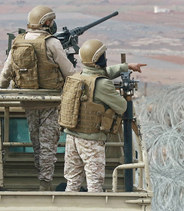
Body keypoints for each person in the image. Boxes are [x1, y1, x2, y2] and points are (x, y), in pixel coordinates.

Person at [0, 5, 76, 191]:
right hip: (50, 101)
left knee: (36, 143)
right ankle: (45, 184)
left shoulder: (18, 42)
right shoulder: (51, 43)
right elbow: (70, 73)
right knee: (48, 145)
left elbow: (5, 74)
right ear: (46, 22)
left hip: (28, 100)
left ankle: (42, 178)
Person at [59, 39, 146, 192]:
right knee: (94, 185)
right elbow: (122, 106)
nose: (105, 59)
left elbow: (101, 74)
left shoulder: (77, 77)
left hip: (72, 138)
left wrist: (125, 67)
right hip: (91, 141)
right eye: (103, 56)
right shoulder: (103, 84)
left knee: (72, 183)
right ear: (98, 59)